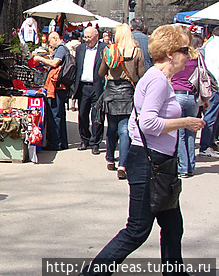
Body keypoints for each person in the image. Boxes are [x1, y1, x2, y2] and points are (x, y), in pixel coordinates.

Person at [81, 24, 206, 276]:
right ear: (171, 52)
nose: (188, 54)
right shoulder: (157, 80)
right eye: (184, 49)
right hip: (149, 164)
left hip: (160, 164)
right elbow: (148, 123)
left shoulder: (159, 78)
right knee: (137, 230)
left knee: (172, 227)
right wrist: (186, 123)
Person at [99, 24, 146, 180]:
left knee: (111, 127)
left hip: (112, 90)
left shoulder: (110, 51)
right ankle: (123, 165)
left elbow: (101, 72)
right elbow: (141, 75)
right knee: (125, 129)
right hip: (127, 91)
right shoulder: (136, 52)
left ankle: (110, 158)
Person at [170, 30, 206, 177]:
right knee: (191, 132)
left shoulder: (175, 57)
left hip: (177, 95)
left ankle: (183, 167)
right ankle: (191, 165)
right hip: (192, 96)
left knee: (180, 133)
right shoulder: (196, 57)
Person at [33, 31, 70, 150]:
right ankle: (62, 142)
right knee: (59, 114)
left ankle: (55, 143)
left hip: (57, 86)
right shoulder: (62, 48)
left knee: (55, 114)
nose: (50, 45)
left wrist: (40, 59)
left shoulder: (61, 49)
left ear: (55, 38)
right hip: (60, 86)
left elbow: (55, 63)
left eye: (50, 42)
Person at [72, 26, 107, 154]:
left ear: (96, 36)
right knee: (82, 115)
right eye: (85, 37)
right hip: (83, 86)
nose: (87, 40)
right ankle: (84, 139)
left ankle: (95, 142)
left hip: (97, 86)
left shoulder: (104, 48)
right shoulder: (80, 49)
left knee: (97, 116)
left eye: (89, 37)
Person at [199, 26, 219, 158]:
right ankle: (206, 145)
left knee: (211, 116)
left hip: (211, 84)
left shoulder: (208, 45)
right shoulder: (214, 46)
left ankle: (208, 144)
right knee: (211, 117)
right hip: (215, 84)